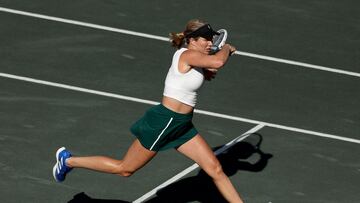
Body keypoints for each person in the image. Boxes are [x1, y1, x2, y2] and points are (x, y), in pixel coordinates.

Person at [53, 19, 242, 202]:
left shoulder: (198, 59)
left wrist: (211, 64)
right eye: (206, 39)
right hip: (165, 121)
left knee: (215, 169)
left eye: (211, 39)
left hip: (182, 125)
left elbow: (209, 67)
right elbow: (217, 62)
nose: (210, 43)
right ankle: (68, 161)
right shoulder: (185, 54)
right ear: (192, 40)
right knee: (125, 169)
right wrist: (225, 48)